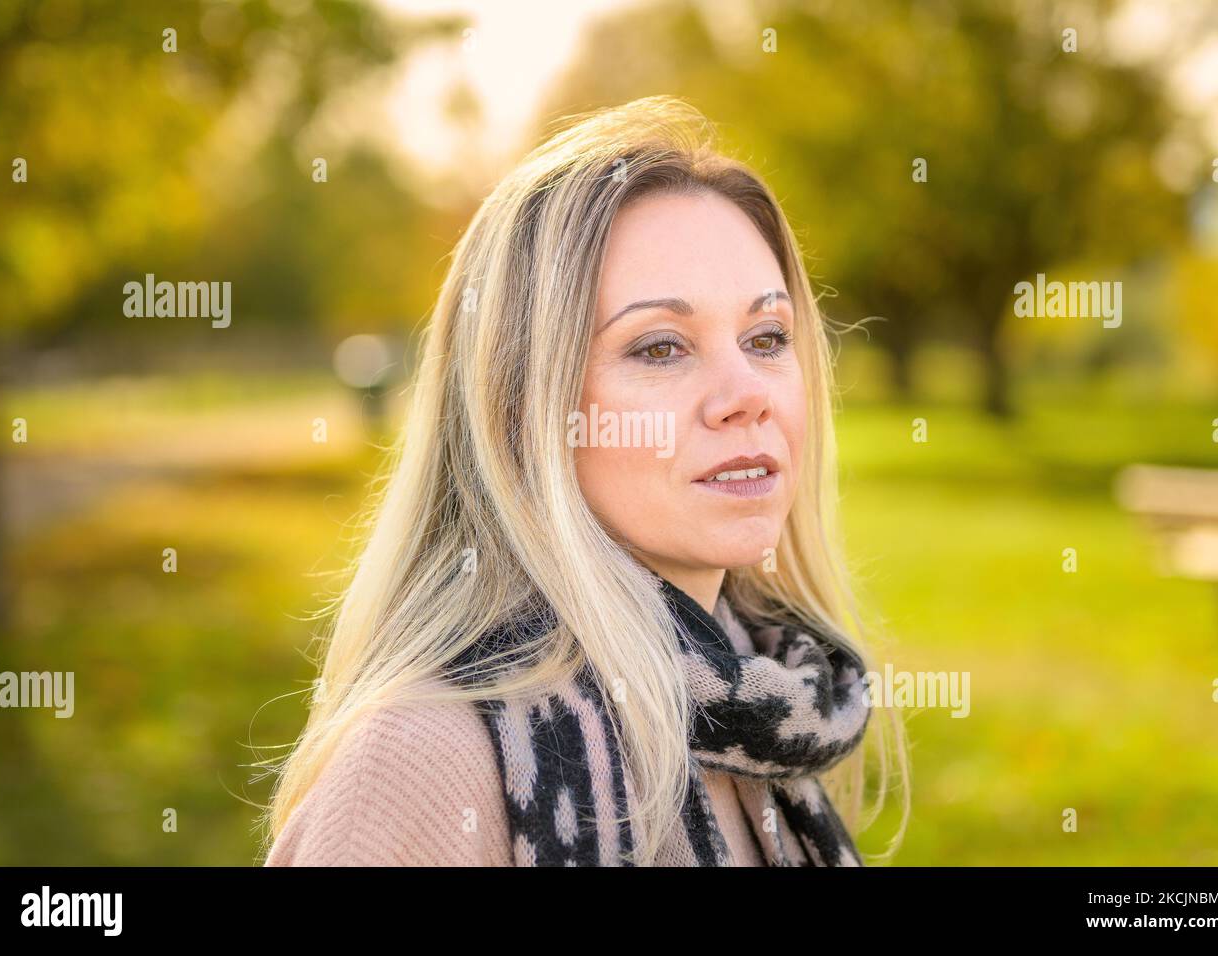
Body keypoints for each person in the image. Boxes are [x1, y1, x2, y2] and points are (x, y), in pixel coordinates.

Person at [261, 95, 907, 867]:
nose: (748, 395)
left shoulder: (766, 712)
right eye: (661, 348)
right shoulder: (422, 762)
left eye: (766, 337)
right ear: (522, 412)